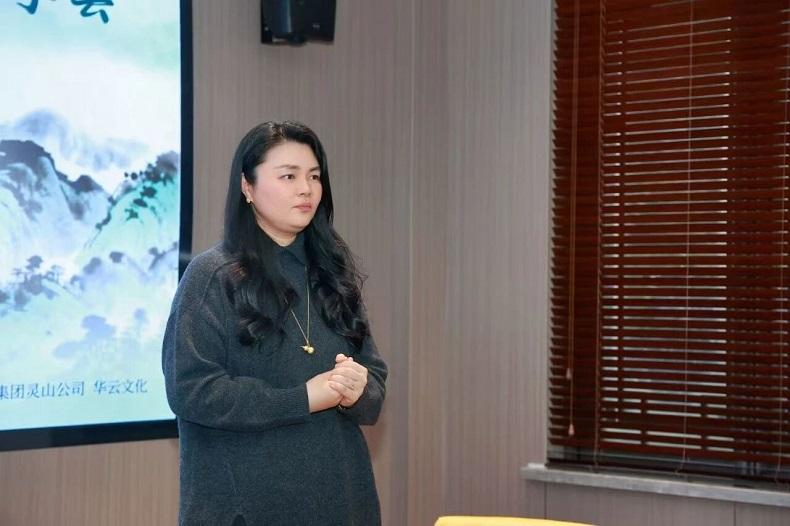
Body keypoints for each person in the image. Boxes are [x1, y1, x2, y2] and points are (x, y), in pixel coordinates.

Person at [162, 121, 387, 526]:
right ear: (247, 187)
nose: (306, 189)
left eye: (314, 177)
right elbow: (191, 390)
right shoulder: (212, 275)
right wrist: (303, 398)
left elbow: (374, 381)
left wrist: (359, 389)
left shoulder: (333, 272)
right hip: (245, 509)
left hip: (342, 502)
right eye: (288, 176)